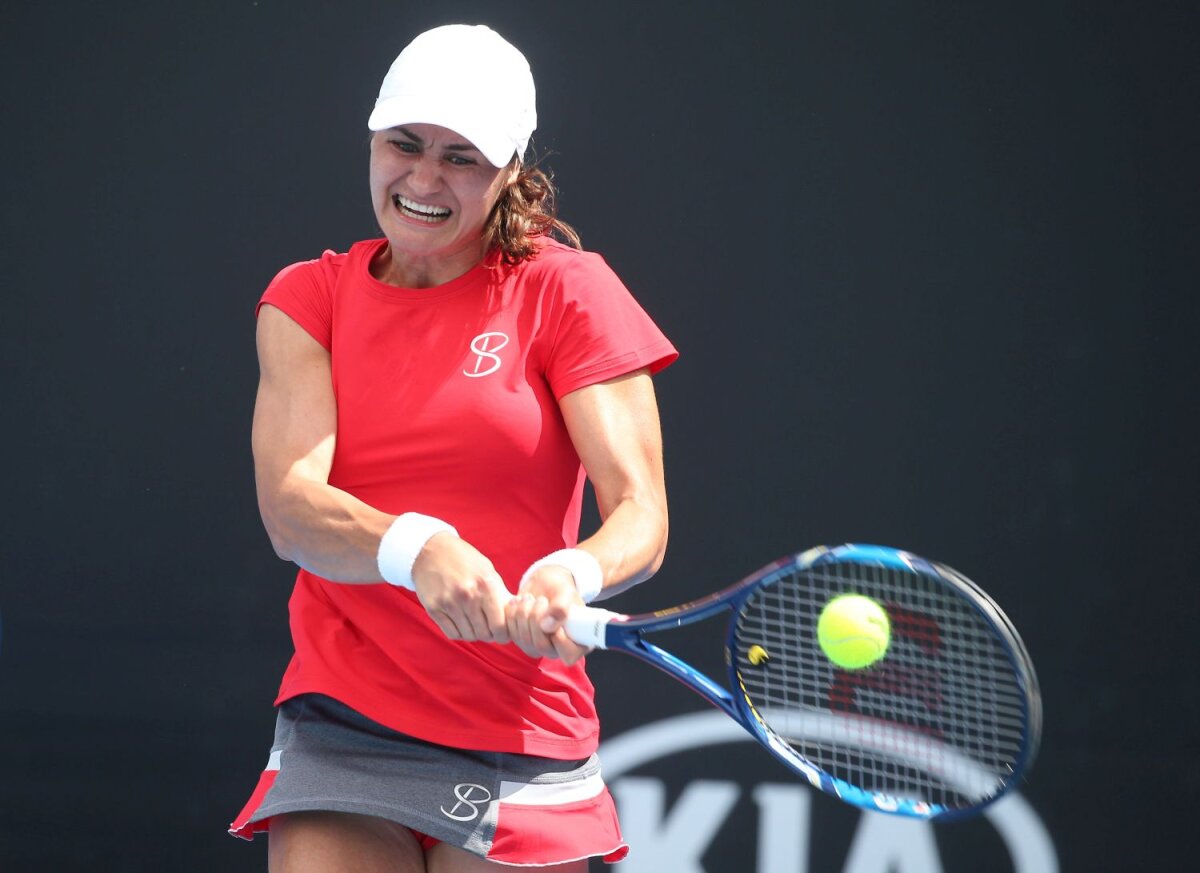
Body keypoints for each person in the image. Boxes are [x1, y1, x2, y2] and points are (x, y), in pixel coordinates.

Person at [228, 23, 677, 873]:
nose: (424, 179)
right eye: (405, 144)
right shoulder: (307, 298)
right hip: (347, 717)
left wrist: (571, 572)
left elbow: (639, 513)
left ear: (509, 171)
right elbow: (292, 508)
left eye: (461, 157)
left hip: (520, 731)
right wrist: (418, 547)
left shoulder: (568, 289)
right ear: (372, 139)